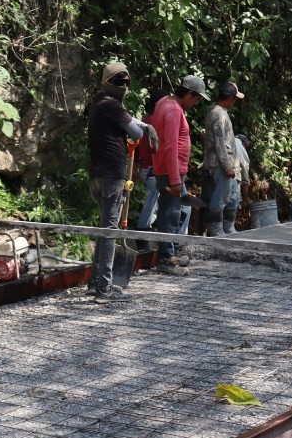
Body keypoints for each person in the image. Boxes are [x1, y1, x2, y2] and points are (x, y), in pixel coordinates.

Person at [87, 61, 158, 302]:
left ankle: (95, 282)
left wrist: (145, 125)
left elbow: (130, 121)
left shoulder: (99, 102)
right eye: (121, 82)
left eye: (125, 82)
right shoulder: (111, 105)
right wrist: (146, 128)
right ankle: (104, 289)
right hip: (111, 174)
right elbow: (135, 132)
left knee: (104, 228)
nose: (124, 86)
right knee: (110, 231)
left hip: (97, 174)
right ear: (109, 83)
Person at [148, 75, 208, 274]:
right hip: (170, 172)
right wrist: (174, 180)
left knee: (182, 210)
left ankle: (171, 250)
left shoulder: (164, 102)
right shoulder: (173, 110)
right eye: (197, 98)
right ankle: (165, 258)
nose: (196, 103)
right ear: (189, 94)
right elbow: (171, 147)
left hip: (167, 169)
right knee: (170, 212)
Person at [201, 80, 243, 236]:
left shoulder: (218, 111)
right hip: (219, 164)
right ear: (230, 98)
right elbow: (219, 142)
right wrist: (227, 166)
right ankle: (216, 229)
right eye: (235, 99)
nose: (234, 102)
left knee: (228, 196)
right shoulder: (218, 114)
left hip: (220, 163)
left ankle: (225, 228)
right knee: (219, 197)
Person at [134, 81, 174, 232]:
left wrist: (136, 167)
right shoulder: (158, 120)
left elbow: (137, 145)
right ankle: (143, 234)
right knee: (151, 205)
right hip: (154, 169)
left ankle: (145, 231)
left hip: (145, 168)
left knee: (151, 203)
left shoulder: (144, 120)